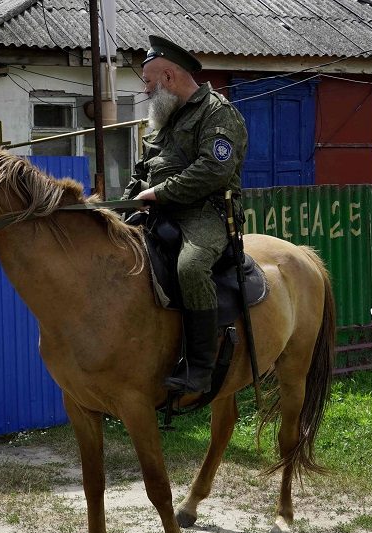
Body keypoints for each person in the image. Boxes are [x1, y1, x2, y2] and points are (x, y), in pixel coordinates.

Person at [122, 34, 249, 394]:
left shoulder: (218, 113)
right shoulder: (164, 115)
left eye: (148, 82)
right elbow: (143, 168)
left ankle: (200, 368)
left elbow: (214, 169)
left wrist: (160, 193)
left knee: (190, 267)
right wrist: (127, 202)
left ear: (168, 77)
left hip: (205, 213)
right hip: (157, 210)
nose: (146, 90)